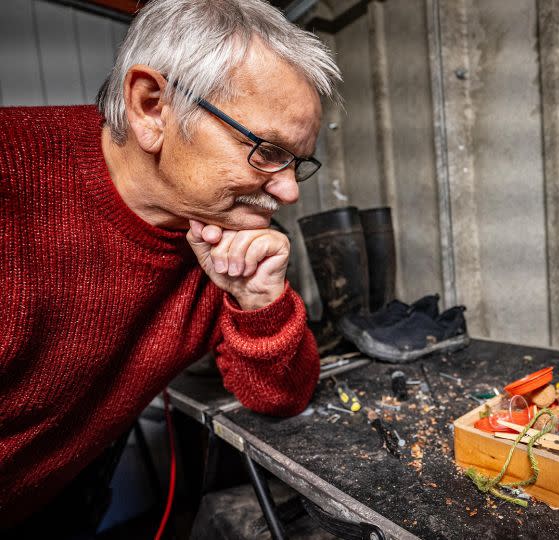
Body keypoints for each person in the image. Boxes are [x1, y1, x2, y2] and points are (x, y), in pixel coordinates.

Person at [0, 0, 340, 531]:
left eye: (298, 163)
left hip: (64, 490)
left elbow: (281, 396)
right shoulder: (13, 177)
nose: (289, 191)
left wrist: (259, 302)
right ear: (152, 106)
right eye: (267, 151)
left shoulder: (218, 231)